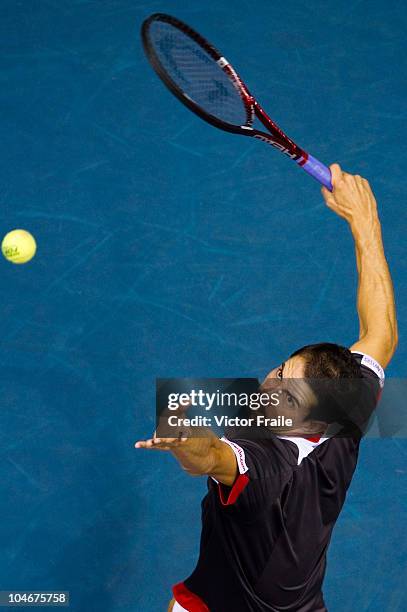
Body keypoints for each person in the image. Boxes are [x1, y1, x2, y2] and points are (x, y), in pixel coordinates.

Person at [136, 164, 398, 612]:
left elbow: (215, 457)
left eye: (287, 396)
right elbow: (382, 334)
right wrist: (365, 223)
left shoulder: (269, 466)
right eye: (280, 372)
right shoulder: (348, 410)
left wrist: (185, 437)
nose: (268, 387)